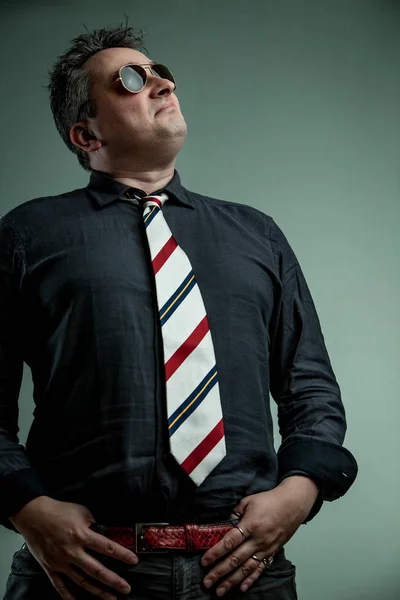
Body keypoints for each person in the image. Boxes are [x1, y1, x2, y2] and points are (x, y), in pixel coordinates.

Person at [0, 20, 358, 600]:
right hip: (83, 575)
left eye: (162, 72)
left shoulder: (256, 234)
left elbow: (310, 386)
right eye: (132, 79)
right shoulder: (27, 236)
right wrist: (26, 509)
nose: (162, 84)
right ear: (85, 133)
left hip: (246, 572)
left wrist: (302, 490)